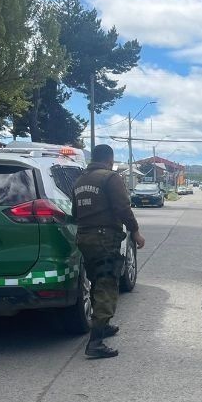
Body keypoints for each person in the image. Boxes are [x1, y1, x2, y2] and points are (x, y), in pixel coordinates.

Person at [73, 144, 146, 359]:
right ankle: (96, 342)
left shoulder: (79, 181)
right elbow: (123, 208)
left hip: (84, 237)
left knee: (96, 281)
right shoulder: (110, 178)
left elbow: (74, 211)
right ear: (109, 159)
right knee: (107, 284)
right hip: (105, 238)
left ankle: (102, 326)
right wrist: (135, 231)